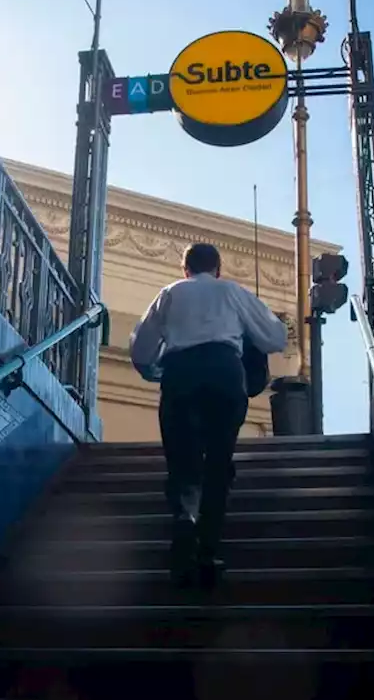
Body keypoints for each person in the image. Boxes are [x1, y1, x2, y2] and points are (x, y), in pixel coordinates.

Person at [130, 242, 289, 586]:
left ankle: (185, 520)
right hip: (224, 374)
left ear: (184, 269)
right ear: (218, 268)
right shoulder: (231, 291)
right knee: (218, 459)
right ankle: (208, 549)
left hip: (181, 376)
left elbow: (141, 347)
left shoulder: (170, 293)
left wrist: (154, 370)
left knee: (182, 458)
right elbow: (276, 337)